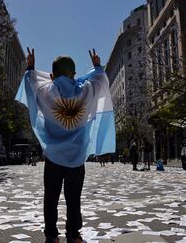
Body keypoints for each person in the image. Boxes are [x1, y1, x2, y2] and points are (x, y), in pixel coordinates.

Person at [15, 48, 115, 243]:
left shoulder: (46, 92)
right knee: (73, 198)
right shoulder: (86, 90)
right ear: (74, 75)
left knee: (50, 198)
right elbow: (100, 80)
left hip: (53, 156)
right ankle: (73, 235)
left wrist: (31, 66)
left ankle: (52, 236)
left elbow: (31, 82)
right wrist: (96, 65)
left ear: (52, 76)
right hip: (76, 158)